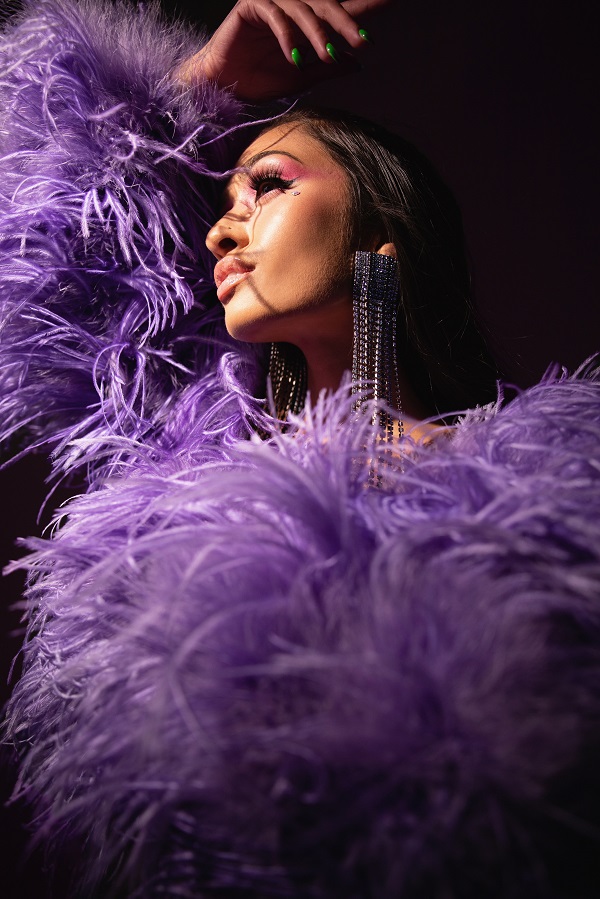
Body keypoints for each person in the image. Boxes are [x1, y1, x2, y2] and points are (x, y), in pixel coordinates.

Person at [1, 2, 600, 897]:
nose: (222, 228)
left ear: (376, 238)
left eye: (270, 186)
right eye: (224, 203)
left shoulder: (551, 493)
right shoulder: (179, 474)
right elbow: (43, 243)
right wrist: (206, 83)